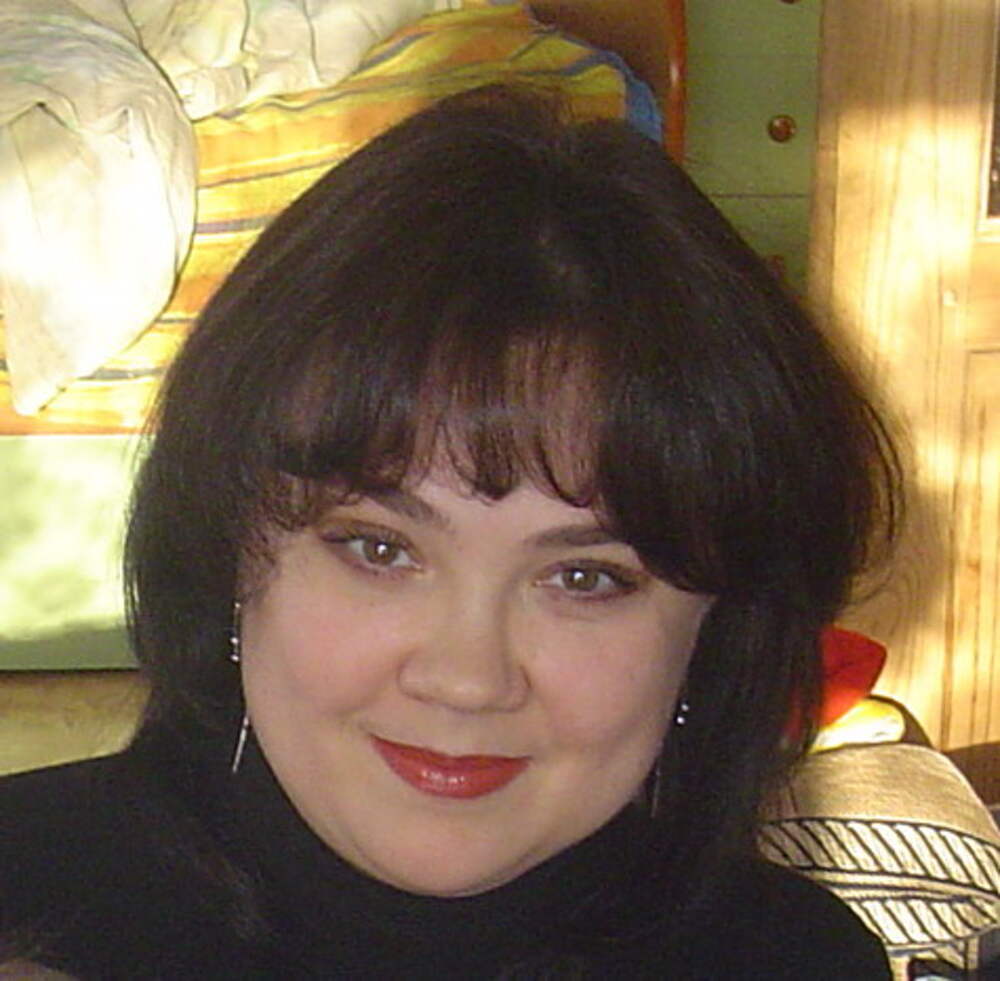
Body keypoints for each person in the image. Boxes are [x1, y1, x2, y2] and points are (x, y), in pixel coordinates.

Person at [0, 85, 900, 978]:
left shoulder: (800, 961)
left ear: (716, 625)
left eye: (586, 578)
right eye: (379, 548)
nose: (468, 680)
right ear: (227, 545)